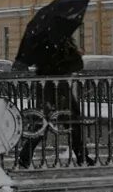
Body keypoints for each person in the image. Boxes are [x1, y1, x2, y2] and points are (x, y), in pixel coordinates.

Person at [18, 35, 94, 168]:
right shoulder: (58, 44)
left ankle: (25, 157)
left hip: (53, 89)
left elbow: (72, 64)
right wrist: (73, 56)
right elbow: (74, 64)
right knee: (64, 122)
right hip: (55, 89)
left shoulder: (47, 43)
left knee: (52, 123)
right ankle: (82, 157)